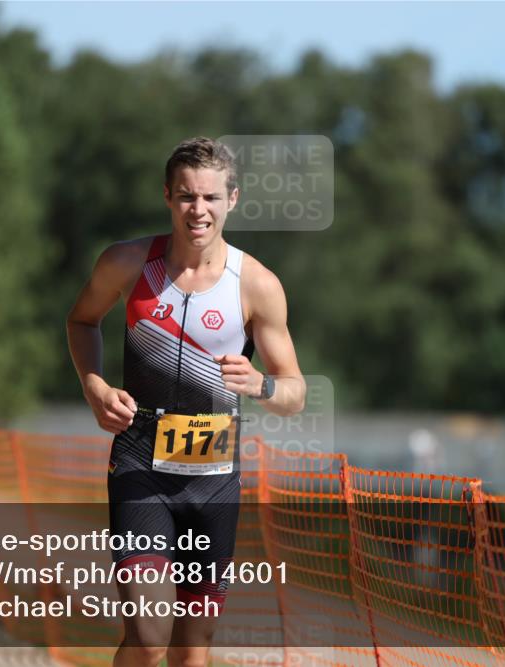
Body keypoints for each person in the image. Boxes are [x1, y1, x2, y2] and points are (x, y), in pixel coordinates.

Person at [67, 137, 306, 667]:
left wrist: (261, 385)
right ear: (168, 197)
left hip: (214, 477)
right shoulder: (128, 262)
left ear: (232, 200)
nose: (198, 210)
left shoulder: (258, 285)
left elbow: (295, 391)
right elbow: (82, 320)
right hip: (139, 465)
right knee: (149, 636)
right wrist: (95, 386)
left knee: (192, 651)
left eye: (211, 198)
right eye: (186, 196)